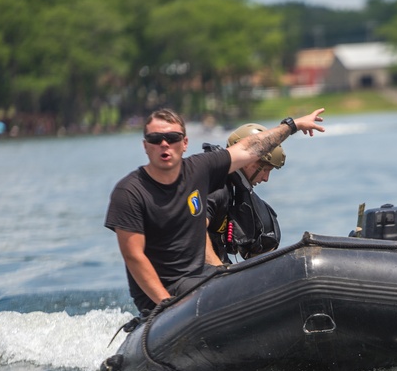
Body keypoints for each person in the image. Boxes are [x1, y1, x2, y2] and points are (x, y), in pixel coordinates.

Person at [105, 108, 325, 314]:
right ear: (145, 145)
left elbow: (250, 147)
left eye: (172, 138)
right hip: (165, 293)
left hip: (200, 279)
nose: (164, 144)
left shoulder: (199, 170)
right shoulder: (129, 192)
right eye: (155, 139)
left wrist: (292, 125)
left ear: (184, 143)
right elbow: (134, 256)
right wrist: (168, 306)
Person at [204, 123, 285, 265]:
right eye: (265, 170)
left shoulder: (231, 189)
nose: (266, 178)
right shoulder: (215, 187)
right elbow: (194, 232)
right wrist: (219, 270)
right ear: (249, 161)